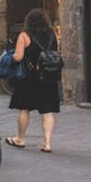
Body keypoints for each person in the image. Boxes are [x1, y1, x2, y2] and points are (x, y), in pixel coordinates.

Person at [6, 9, 59, 153]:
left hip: (29, 77)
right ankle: (47, 143)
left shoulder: (24, 35)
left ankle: (20, 138)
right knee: (47, 110)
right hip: (48, 77)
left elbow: (18, 57)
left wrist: (10, 58)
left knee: (24, 108)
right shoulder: (52, 34)